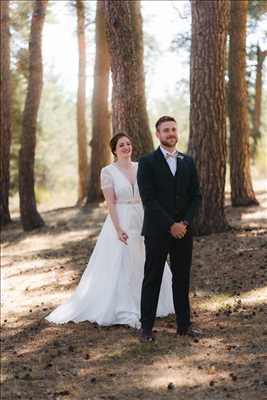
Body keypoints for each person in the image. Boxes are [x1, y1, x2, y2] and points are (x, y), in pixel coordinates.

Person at [45, 133, 174, 328]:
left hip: (142, 216)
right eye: (121, 145)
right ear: (114, 150)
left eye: (128, 144)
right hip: (120, 217)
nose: (126, 147)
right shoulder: (108, 171)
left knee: (149, 257)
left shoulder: (141, 167)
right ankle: (126, 305)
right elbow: (111, 203)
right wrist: (118, 228)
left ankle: (152, 302)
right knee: (123, 261)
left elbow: (151, 195)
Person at [137, 116, 202, 341]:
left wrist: (184, 223)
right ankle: (145, 328)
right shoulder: (147, 162)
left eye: (173, 129)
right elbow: (149, 199)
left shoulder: (188, 161)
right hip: (157, 230)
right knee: (152, 277)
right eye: (166, 130)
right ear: (158, 135)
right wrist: (170, 225)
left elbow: (196, 197)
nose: (171, 133)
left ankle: (184, 325)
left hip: (184, 231)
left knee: (182, 278)